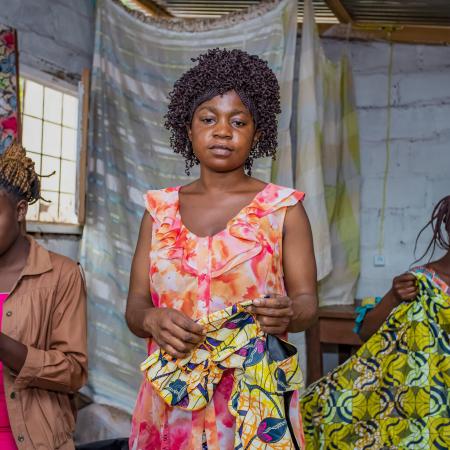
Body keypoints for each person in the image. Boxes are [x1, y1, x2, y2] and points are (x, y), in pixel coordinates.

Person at [126, 48, 318, 450]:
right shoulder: (159, 211)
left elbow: (307, 304)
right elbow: (136, 307)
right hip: (172, 399)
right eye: (208, 119)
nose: (222, 131)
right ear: (188, 127)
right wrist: (152, 319)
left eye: (239, 121)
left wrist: (290, 311)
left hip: (253, 403)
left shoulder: (284, 210)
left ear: (258, 132)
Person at [301, 195, 450, 449]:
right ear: (446, 225)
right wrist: (392, 297)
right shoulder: (420, 282)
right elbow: (367, 332)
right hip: (425, 405)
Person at [0, 142, 88, 449]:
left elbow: (74, 372)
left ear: (20, 210)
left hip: (30, 440)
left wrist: (3, 345)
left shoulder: (61, 275)